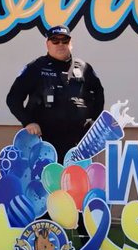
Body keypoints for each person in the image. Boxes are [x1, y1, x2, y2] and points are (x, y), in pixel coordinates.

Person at [6, 26, 105, 163]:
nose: (60, 45)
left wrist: (93, 121)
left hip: (78, 144)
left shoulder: (84, 68)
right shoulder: (35, 68)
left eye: (64, 41)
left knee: (75, 182)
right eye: (55, 41)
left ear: (71, 43)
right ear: (47, 44)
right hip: (44, 143)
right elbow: (13, 98)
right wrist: (28, 122)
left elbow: (99, 92)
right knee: (46, 182)